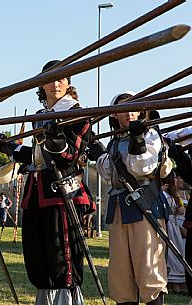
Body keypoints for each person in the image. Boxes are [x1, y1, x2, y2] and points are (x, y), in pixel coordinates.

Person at [0, 60, 94, 305]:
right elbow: (36, 157)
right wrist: (11, 149)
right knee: (37, 257)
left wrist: (57, 141)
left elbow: (70, 156)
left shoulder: (77, 114)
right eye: (51, 78)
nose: (56, 83)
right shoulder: (40, 117)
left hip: (62, 193)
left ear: (68, 83)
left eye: (61, 78)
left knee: (62, 259)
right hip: (36, 192)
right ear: (42, 84)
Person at [89, 91, 172, 305]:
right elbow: (108, 173)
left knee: (149, 269)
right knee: (121, 274)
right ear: (115, 115)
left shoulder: (151, 135)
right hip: (119, 209)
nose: (130, 113)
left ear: (142, 111)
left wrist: (138, 140)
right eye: (123, 109)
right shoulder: (115, 141)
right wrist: (98, 154)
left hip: (145, 206)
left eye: (134, 108)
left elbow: (143, 167)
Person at [161, 170, 187, 295]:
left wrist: (180, 209)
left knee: (179, 253)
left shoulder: (174, 195)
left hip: (175, 227)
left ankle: (180, 284)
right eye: (175, 178)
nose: (177, 180)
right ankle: (173, 285)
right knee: (171, 255)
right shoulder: (163, 193)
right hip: (168, 226)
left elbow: (179, 210)